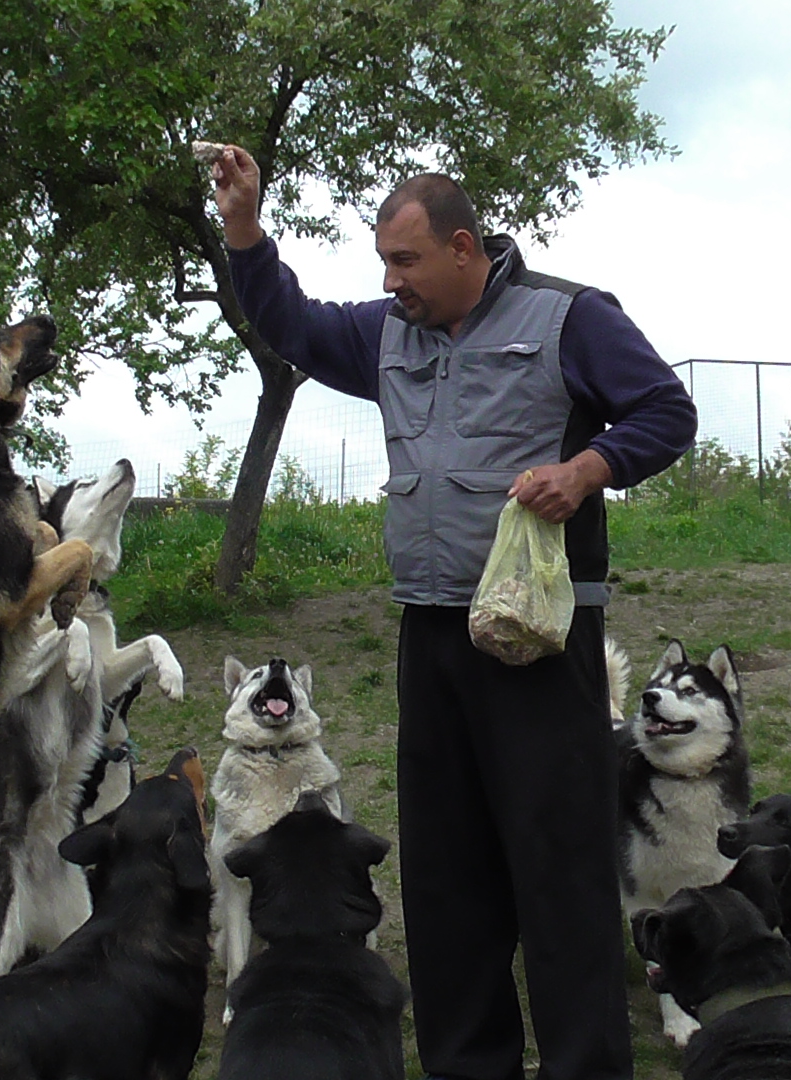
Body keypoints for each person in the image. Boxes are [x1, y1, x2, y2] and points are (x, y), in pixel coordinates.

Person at [210, 148, 697, 1080]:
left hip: (540, 643)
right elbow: (294, 324)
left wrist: (589, 469)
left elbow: (665, 412)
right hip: (430, 637)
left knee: (558, 875)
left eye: (406, 261)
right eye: (383, 265)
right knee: (444, 878)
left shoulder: (569, 318)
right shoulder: (388, 332)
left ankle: (584, 1066)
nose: (391, 284)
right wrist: (245, 230)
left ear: (465, 248)